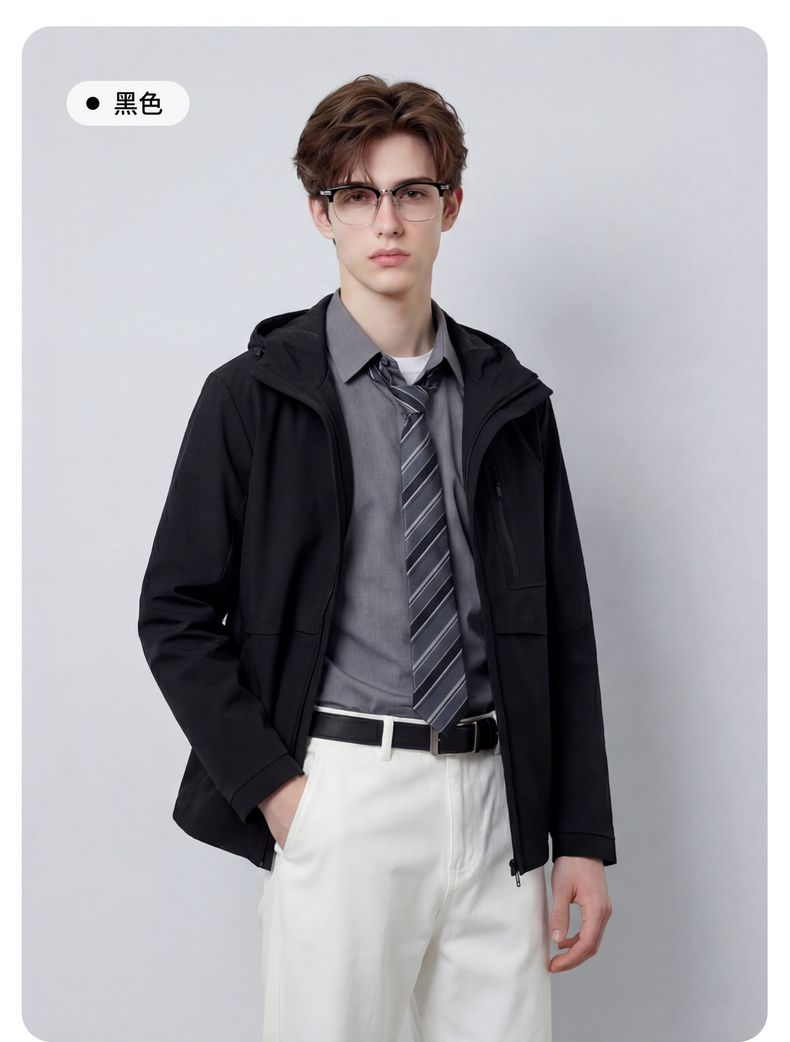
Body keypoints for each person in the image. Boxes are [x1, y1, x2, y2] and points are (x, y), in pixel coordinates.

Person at [138, 73, 615, 1042]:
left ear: (451, 205)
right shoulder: (252, 396)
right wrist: (278, 793)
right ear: (321, 213)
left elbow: (562, 623)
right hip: (345, 790)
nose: (386, 220)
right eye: (357, 195)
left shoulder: (510, 399)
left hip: (497, 799)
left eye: (411, 192)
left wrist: (580, 835)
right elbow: (175, 614)